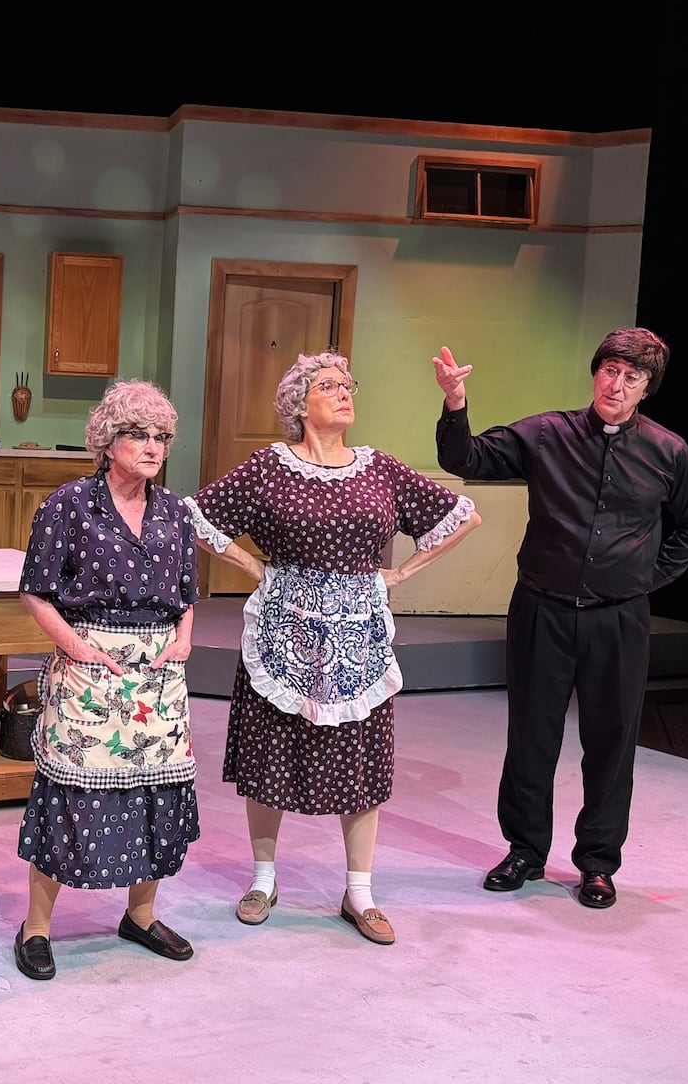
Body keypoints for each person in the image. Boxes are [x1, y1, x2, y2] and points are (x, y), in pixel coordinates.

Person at [188, 351, 480, 945]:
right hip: (285, 628)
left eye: (349, 385)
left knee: (361, 758)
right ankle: (264, 879)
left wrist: (400, 575)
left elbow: (460, 517)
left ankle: (360, 892)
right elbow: (196, 514)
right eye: (329, 386)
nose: (345, 393)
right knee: (271, 752)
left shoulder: (378, 469)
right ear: (299, 404)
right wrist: (251, 565)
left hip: (356, 633)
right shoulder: (269, 467)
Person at [433, 328, 688, 909]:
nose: (617, 385)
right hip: (543, 608)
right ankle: (525, 851)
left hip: (619, 617)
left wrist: (648, 576)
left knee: (611, 740)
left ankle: (597, 862)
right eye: (610, 371)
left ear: (646, 389)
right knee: (532, 735)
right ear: (596, 374)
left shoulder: (669, 452)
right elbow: (465, 459)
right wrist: (455, 403)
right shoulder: (547, 432)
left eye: (631, 378)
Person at [12, 379, 215, 981]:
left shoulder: (176, 510)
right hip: (89, 664)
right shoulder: (69, 505)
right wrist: (76, 649)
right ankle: (37, 928)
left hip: (157, 673)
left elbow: (186, 592)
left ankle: (142, 916)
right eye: (139, 435)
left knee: (156, 791)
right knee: (71, 795)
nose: (153, 447)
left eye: (162, 437)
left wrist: (184, 637)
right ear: (108, 440)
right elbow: (35, 591)